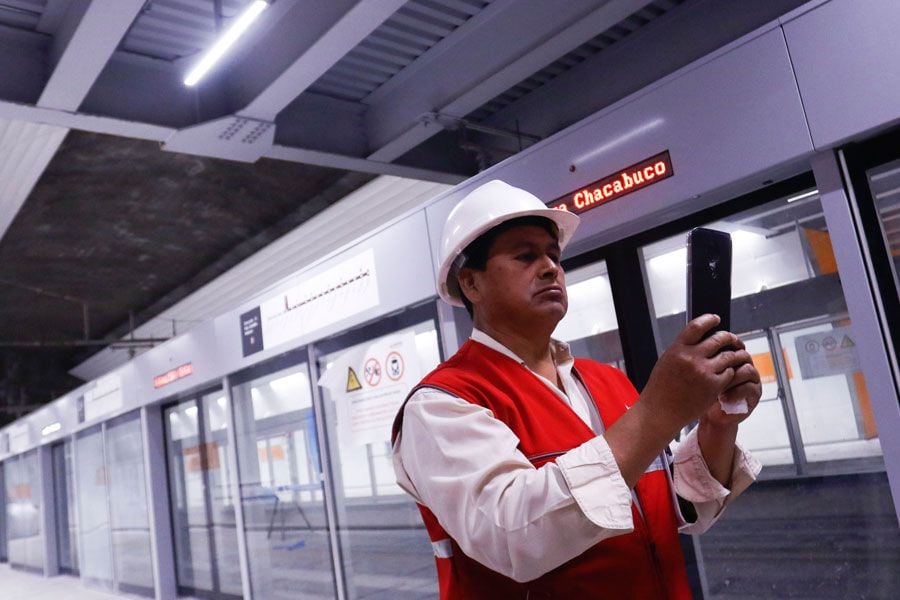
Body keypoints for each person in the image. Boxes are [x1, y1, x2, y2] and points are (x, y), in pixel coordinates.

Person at [392, 180, 762, 599]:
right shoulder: (443, 404)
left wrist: (718, 424)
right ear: (471, 284)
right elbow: (514, 540)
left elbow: (680, 508)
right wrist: (659, 411)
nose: (551, 267)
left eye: (554, 255)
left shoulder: (604, 379)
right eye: (526, 255)